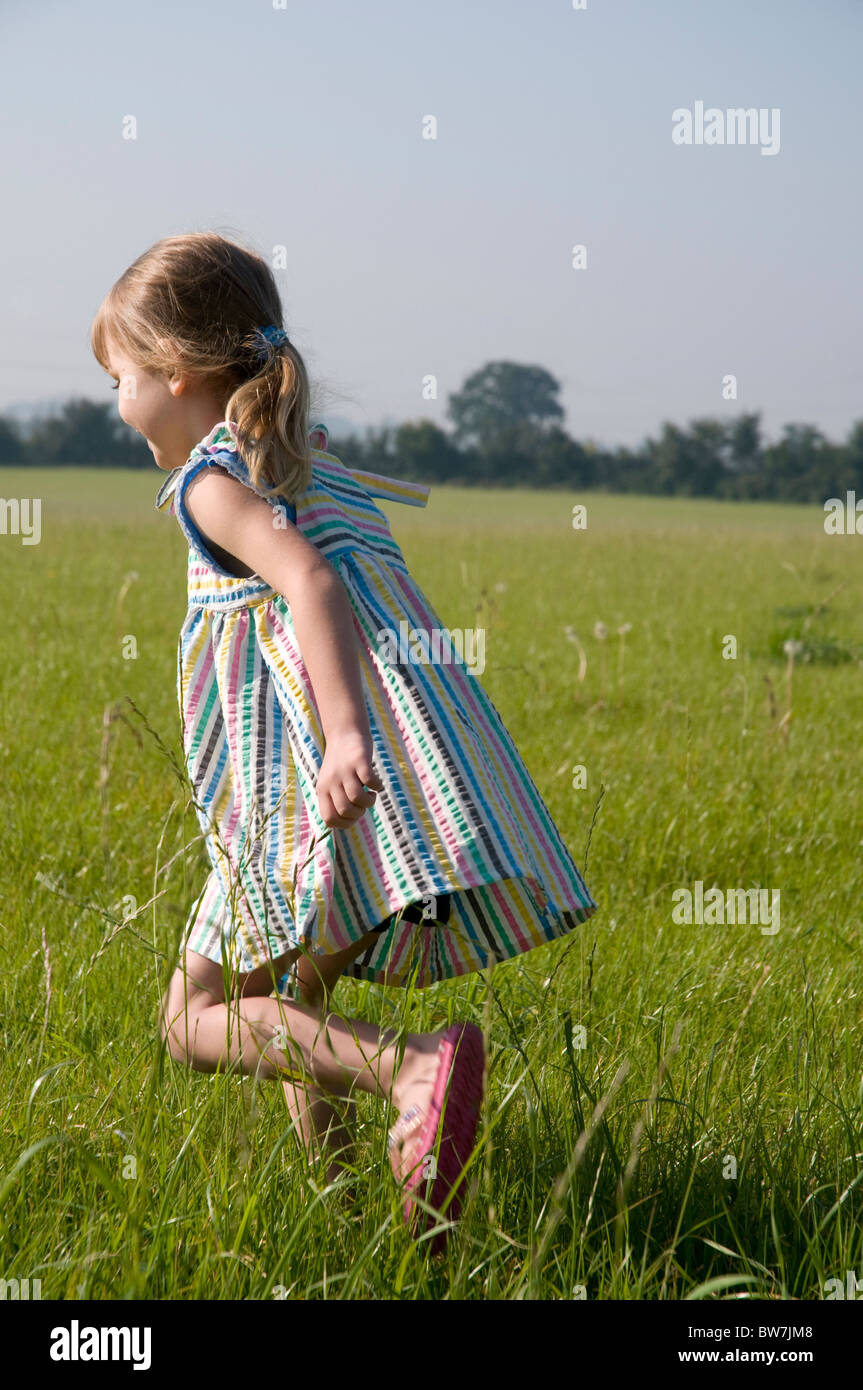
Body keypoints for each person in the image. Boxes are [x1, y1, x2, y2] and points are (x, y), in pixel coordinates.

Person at [90, 230, 598, 1252]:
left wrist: (338, 739)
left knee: (191, 1021)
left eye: (121, 376)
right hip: (393, 787)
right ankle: (365, 1212)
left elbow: (312, 585)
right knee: (291, 1000)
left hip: (299, 794)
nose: (116, 402)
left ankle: (413, 1071)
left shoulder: (208, 483)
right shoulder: (302, 461)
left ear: (175, 370)